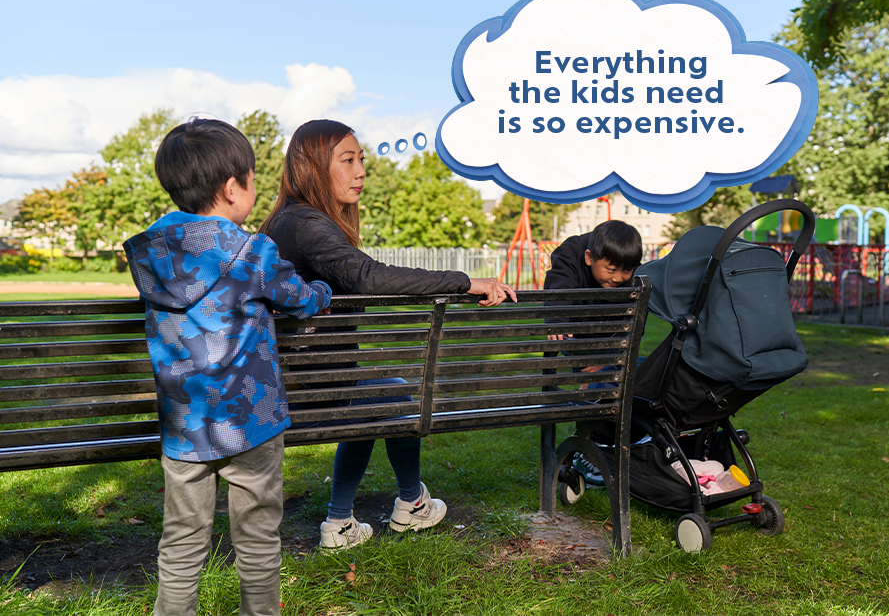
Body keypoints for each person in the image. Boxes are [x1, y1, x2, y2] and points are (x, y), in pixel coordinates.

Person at [259, 119, 516, 550]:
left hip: (299, 383)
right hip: (305, 393)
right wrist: (463, 282)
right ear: (312, 167)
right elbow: (368, 277)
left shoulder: (285, 222)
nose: (361, 171)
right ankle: (408, 504)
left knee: (380, 397)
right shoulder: (306, 224)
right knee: (390, 396)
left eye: (362, 160)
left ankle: (348, 521)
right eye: (348, 160)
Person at [124, 119, 333, 616]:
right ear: (232, 187)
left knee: (180, 543)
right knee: (258, 542)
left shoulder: (150, 253)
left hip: (184, 426)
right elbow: (302, 301)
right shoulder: (251, 251)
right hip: (251, 424)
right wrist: (323, 290)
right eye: (253, 178)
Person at [543, 219, 643, 486]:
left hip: (612, 339)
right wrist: (555, 318)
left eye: (626, 271)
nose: (619, 278)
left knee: (630, 375)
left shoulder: (624, 270)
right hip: (577, 334)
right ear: (589, 258)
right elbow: (558, 291)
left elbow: (634, 323)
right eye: (611, 269)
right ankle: (590, 449)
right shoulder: (570, 256)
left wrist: (609, 357)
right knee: (599, 385)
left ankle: (598, 446)